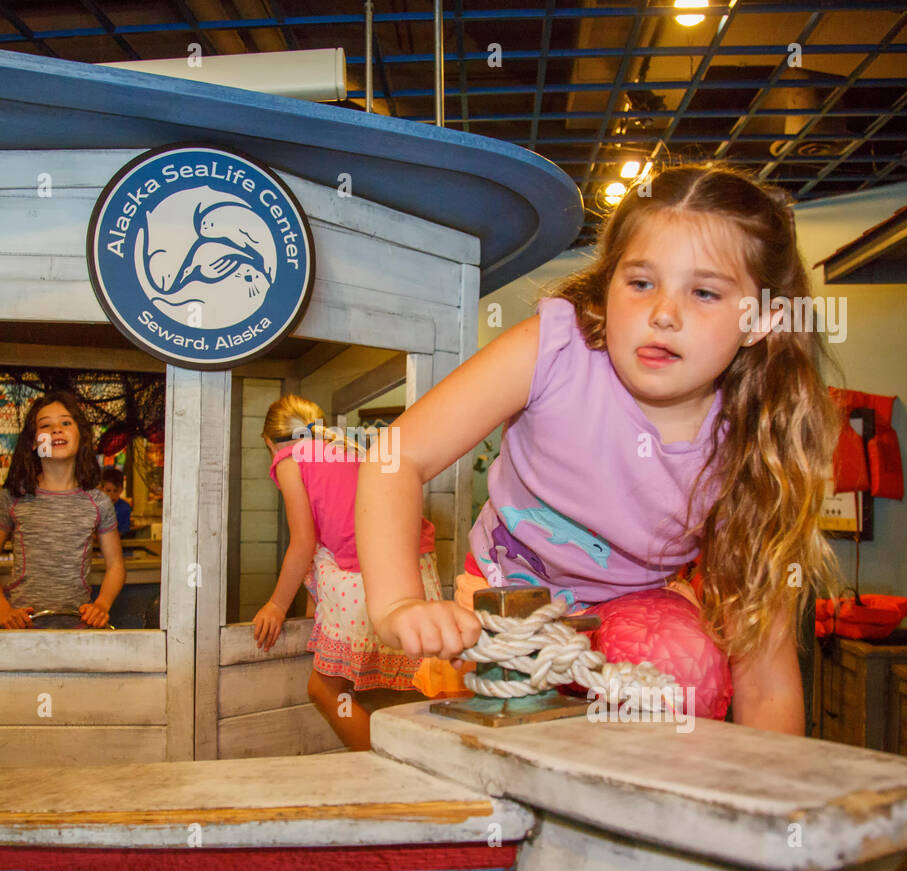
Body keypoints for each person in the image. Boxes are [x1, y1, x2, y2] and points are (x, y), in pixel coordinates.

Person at [356, 164, 845, 734]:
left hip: (632, 611)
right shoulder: (556, 349)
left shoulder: (755, 444)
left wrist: (772, 815)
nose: (663, 313)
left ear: (763, 319)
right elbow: (397, 455)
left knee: (684, 667)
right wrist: (396, 604)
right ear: (608, 285)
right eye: (641, 283)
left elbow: (766, 676)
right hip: (507, 595)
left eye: (705, 292)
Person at [253, 395, 462, 751]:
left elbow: (304, 542)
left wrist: (275, 605)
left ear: (270, 441)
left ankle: (383, 766)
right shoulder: (346, 448)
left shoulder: (289, 459)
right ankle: (436, 757)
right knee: (421, 681)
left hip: (364, 576)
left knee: (324, 689)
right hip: (413, 568)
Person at [0, 390, 124, 629]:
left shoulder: (99, 502)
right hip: (24, 629)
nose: (57, 429)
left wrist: (102, 605)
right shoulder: (13, 497)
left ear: (81, 436)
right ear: (34, 443)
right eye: (46, 425)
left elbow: (116, 566)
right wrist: (3, 610)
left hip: (78, 627)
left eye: (66, 422)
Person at [99, 467, 134, 535]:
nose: (111, 495)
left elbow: (123, 531)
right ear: (102, 489)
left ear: (121, 490)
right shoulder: (97, 507)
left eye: (115, 491)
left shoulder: (125, 508)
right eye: (108, 491)